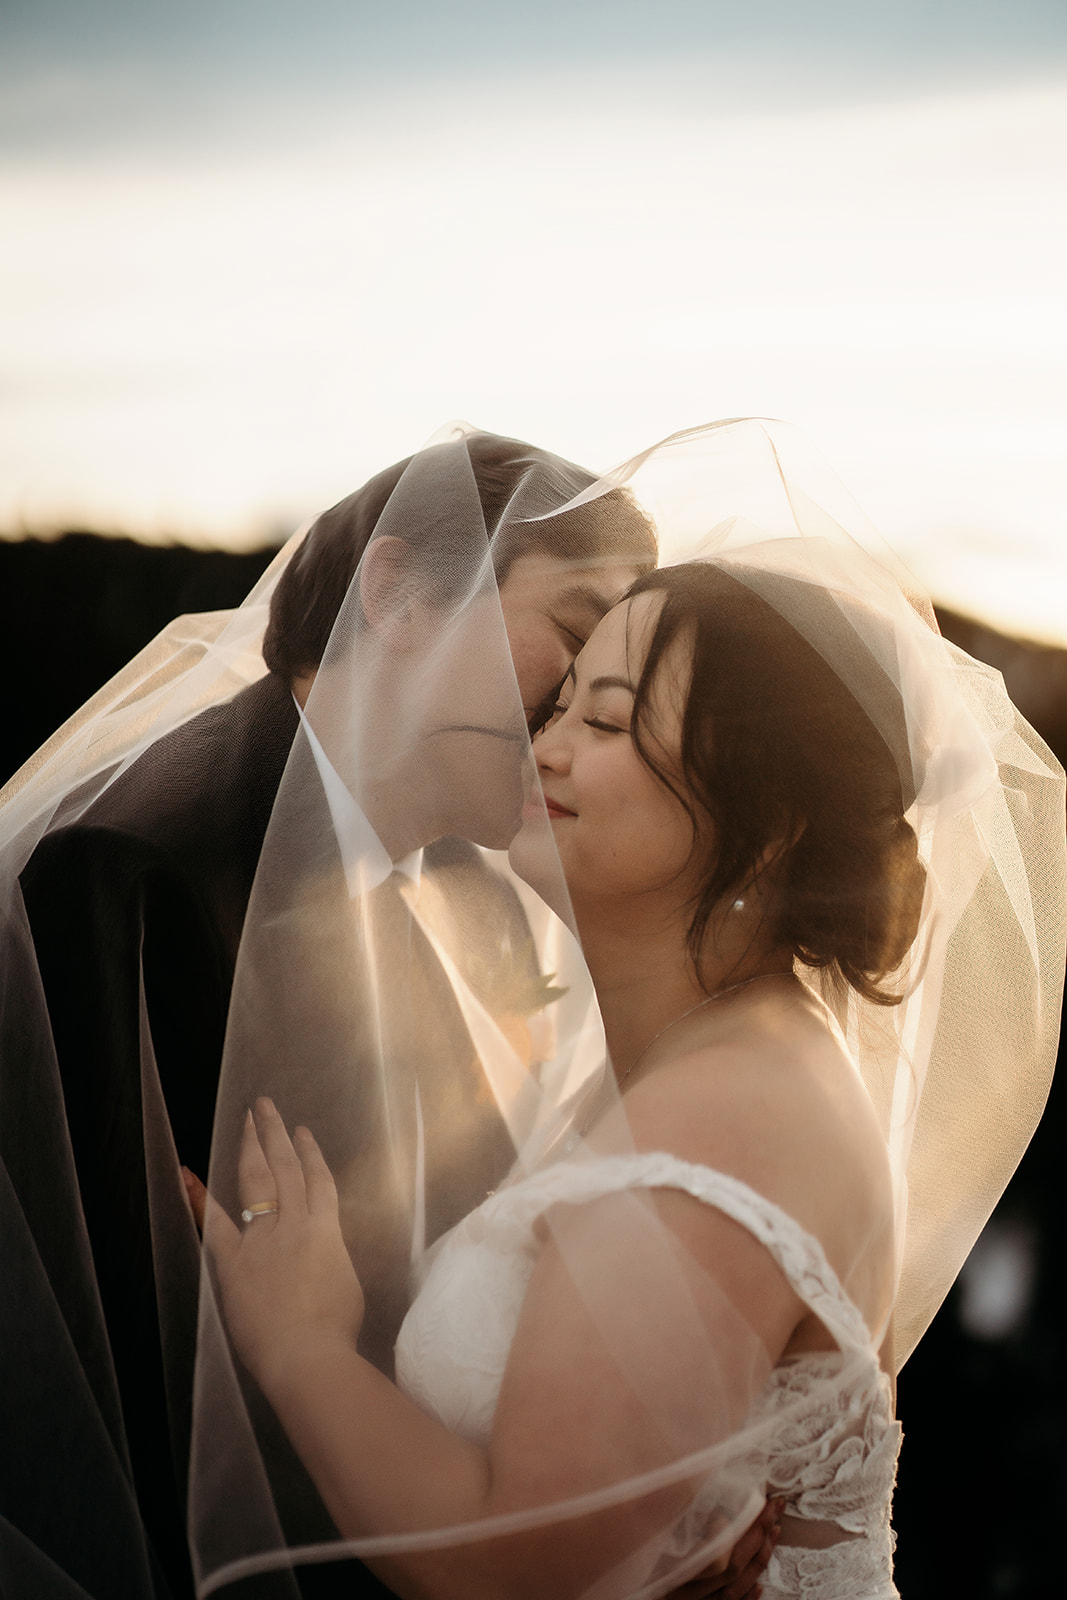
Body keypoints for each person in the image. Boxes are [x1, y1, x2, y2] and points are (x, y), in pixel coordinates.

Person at [185, 423, 1065, 1599]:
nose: (539, 741)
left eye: (600, 721)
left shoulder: (729, 1113)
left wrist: (300, 1349)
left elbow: (514, 1566)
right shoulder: (718, 1054)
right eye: (561, 708)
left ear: (766, 822)